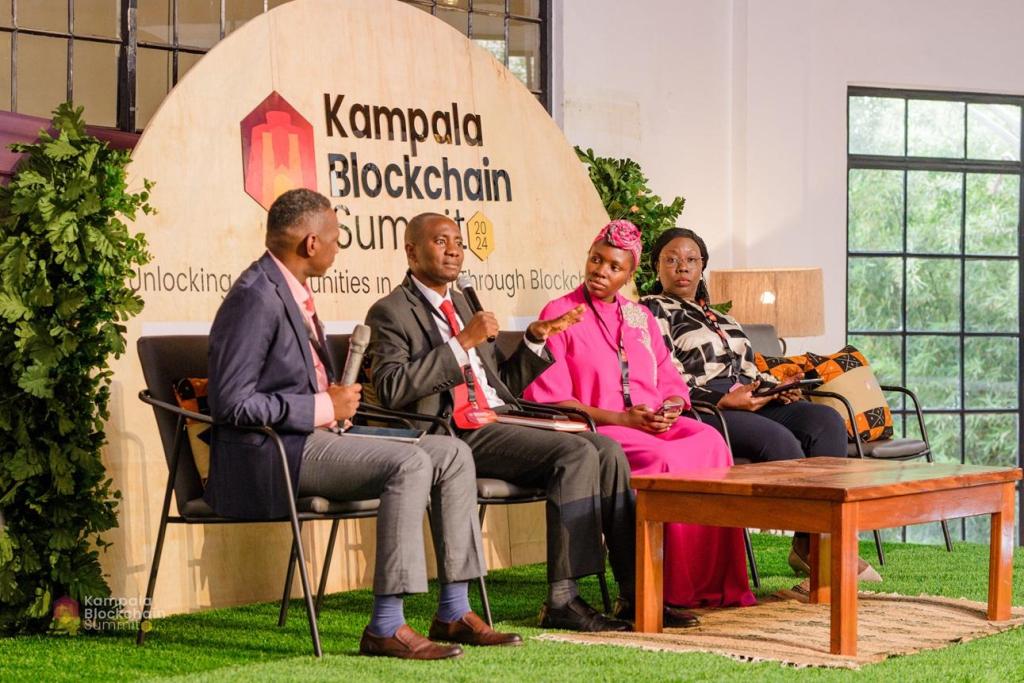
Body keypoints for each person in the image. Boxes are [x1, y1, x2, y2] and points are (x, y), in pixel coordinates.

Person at [206, 189, 521, 661]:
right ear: (311, 243)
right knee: (410, 463)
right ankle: (386, 626)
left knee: (453, 453)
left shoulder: (287, 288)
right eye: (335, 238)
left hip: (321, 436)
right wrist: (320, 407)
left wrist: (335, 407)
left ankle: (455, 609)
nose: (338, 247)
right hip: (277, 451)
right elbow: (231, 403)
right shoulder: (255, 297)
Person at [365, 212, 679, 632]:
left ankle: (634, 591)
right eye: (441, 242)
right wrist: (461, 345)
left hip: (500, 417)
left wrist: (534, 339)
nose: (455, 250)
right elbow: (390, 388)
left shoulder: (462, 304)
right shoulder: (390, 312)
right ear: (411, 250)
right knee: (575, 453)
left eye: (458, 241)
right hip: (454, 431)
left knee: (606, 448)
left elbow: (502, 386)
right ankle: (563, 598)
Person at [522, 220, 756, 610]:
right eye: (596, 260)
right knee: (666, 459)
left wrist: (672, 408)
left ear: (630, 275)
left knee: (711, 443)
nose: (601, 271)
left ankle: (716, 585)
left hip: (651, 424)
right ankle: (665, 589)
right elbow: (553, 400)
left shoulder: (639, 318)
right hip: (598, 428)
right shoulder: (560, 312)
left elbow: (670, 379)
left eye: (614, 266)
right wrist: (624, 419)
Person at [639, 227, 880, 582]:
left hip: (751, 395)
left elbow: (749, 368)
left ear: (702, 266)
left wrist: (776, 388)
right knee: (782, 443)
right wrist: (723, 398)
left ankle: (810, 546)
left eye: (691, 260)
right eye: (671, 260)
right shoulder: (650, 311)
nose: (682, 268)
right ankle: (824, 549)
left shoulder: (721, 317)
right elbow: (660, 375)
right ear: (657, 266)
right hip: (707, 407)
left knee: (825, 420)